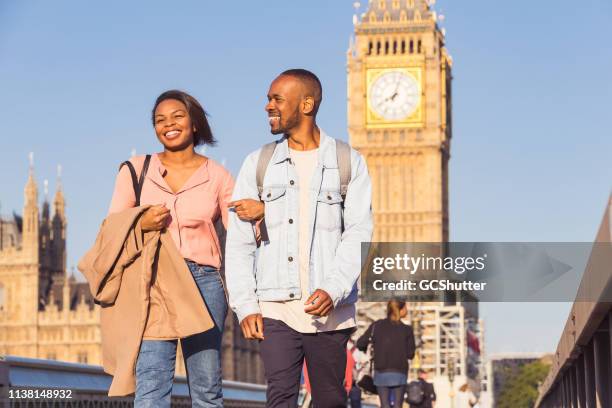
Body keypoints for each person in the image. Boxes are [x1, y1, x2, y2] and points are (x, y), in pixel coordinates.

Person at [225, 68, 373, 408]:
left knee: (331, 400)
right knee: (280, 398)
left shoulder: (348, 162)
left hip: (329, 310)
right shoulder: (258, 163)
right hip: (275, 307)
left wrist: (334, 288)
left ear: (307, 104)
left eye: (276, 99)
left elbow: (359, 233)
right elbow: (239, 244)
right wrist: (246, 305)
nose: (267, 106)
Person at [108, 90, 263, 407]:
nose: (168, 124)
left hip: (204, 282)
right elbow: (112, 229)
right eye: (159, 120)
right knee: (151, 382)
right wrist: (141, 222)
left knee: (206, 385)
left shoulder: (218, 177)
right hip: (153, 281)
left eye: (177, 116)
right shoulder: (135, 171)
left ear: (194, 123)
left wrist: (262, 214)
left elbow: (242, 236)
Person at [356, 300, 416, 408]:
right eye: (405, 307)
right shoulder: (407, 330)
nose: (407, 310)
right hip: (400, 372)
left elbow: (360, 343)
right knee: (398, 405)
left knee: (384, 405)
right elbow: (410, 354)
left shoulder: (376, 326)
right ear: (400, 310)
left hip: (381, 373)